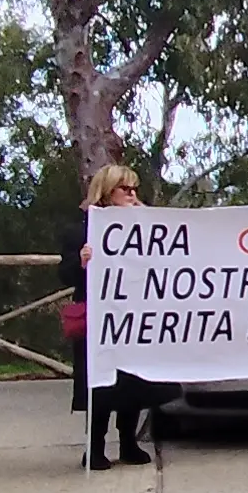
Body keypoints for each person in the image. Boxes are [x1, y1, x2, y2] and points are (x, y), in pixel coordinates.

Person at [67, 163, 160, 472]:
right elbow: (63, 274)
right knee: (101, 385)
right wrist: (81, 262)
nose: (132, 195)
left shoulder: (145, 225)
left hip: (134, 318)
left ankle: (129, 442)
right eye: (125, 189)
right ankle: (94, 448)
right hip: (99, 321)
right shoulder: (82, 227)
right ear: (107, 193)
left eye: (135, 189)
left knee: (132, 383)